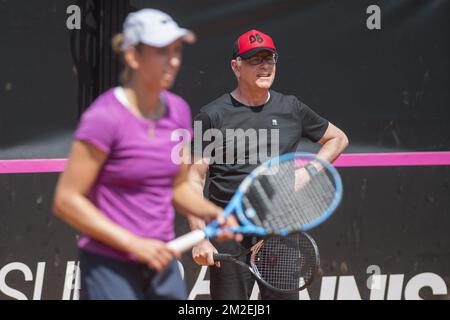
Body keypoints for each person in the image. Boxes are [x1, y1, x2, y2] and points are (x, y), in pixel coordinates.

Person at [53, 8, 239, 300]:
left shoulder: (178, 110)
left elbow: (177, 186)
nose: (174, 60)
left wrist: (212, 212)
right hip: (109, 267)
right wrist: (134, 244)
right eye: (161, 51)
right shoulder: (104, 117)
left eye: (176, 50)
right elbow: (67, 200)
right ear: (132, 56)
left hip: (161, 260)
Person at [187, 29, 349, 300]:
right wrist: (199, 237)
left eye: (269, 58)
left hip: (279, 234)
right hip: (230, 234)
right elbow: (193, 179)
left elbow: (338, 139)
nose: (264, 66)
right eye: (254, 59)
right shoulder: (211, 116)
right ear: (236, 66)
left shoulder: (291, 108)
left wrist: (308, 172)